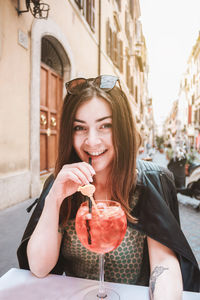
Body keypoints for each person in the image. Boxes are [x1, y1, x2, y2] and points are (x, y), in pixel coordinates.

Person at [17, 75, 200, 299]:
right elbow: (38, 267)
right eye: (79, 128)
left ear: (122, 129)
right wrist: (55, 198)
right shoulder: (63, 183)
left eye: (105, 125)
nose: (92, 141)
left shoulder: (150, 182)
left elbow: (163, 264)